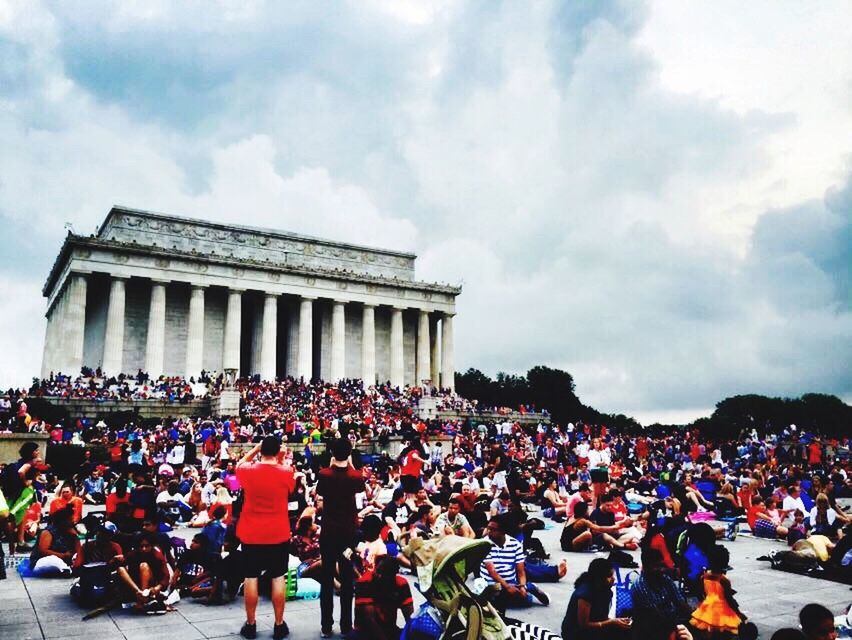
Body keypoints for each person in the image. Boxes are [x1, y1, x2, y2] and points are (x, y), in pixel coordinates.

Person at [235, 436, 296, 640]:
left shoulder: (248, 471)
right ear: (278, 450)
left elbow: (239, 464)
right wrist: (282, 456)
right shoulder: (286, 471)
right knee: (278, 577)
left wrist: (255, 449)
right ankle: (279, 624)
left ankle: (251, 624)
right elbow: (289, 484)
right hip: (277, 531)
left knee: (250, 577)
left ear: (262, 449)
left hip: (251, 531)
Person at [316, 438, 366, 638]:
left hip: (329, 532)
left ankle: (326, 626)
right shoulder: (355, 476)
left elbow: (320, 492)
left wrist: (331, 465)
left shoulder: (324, 474)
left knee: (327, 580)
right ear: (350, 453)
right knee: (347, 579)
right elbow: (360, 487)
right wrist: (351, 464)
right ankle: (346, 625)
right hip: (348, 534)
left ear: (331, 453)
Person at [479, 514, 550, 615]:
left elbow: (520, 571)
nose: (488, 532)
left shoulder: (515, 544)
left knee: (525, 599)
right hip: (491, 584)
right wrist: (507, 587)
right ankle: (528, 588)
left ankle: (528, 587)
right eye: (488, 528)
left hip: (511, 582)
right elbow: (492, 572)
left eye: (493, 529)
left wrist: (521, 586)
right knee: (493, 600)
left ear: (503, 531)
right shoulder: (484, 544)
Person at [561, 557, 631, 639]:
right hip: (576, 633)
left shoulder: (606, 590)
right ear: (599, 578)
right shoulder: (585, 594)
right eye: (609, 576)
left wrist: (618, 622)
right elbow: (584, 626)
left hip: (595, 628)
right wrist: (612, 622)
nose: (613, 578)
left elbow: (601, 617)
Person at [631, 548, 692, 640]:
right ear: (646, 567)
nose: (661, 569)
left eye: (662, 565)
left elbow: (680, 602)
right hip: (651, 628)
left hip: (670, 621)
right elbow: (657, 617)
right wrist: (675, 630)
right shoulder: (640, 586)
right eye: (656, 566)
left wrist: (694, 617)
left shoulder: (664, 579)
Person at [351, 556, 413, 640]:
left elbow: (409, 617)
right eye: (378, 571)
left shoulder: (401, 584)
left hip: (389, 629)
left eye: (385, 573)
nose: (379, 576)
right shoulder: (364, 582)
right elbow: (369, 620)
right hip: (365, 631)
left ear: (394, 573)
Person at [689, 545, 747, 636]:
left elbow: (701, 593)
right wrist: (738, 612)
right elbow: (729, 598)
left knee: (707, 631)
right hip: (723, 610)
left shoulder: (703, 577)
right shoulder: (723, 580)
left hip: (707, 609)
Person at [30, 505, 81, 577]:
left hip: (67, 561)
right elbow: (43, 551)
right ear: (63, 521)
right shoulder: (48, 532)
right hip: (45, 560)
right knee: (53, 560)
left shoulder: (70, 531)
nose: (72, 521)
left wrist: (76, 537)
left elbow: (78, 551)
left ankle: (70, 569)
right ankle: (66, 570)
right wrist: (63, 556)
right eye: (70, 519)